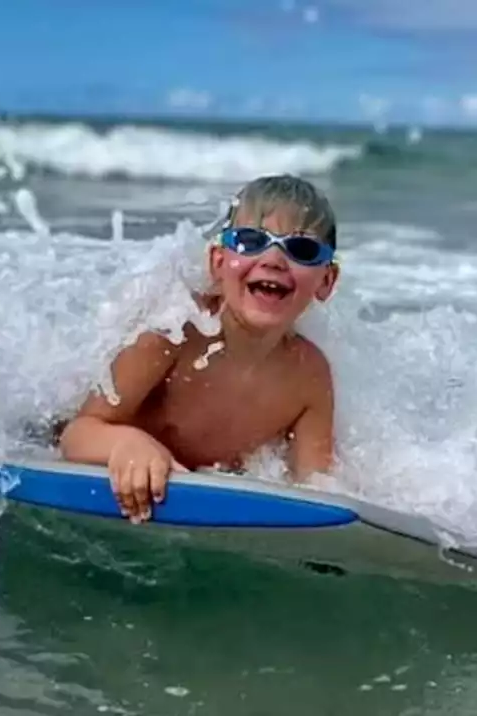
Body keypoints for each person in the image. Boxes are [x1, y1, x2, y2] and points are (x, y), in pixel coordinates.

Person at [57, 174, 341, 523]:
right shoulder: (174, 331)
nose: (273, 260)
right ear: (218, 262)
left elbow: (317, 490)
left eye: (302, 249)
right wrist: (125, 444)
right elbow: (77, 433)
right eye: (250, 241)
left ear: (326, 281)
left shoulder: (308, 375)